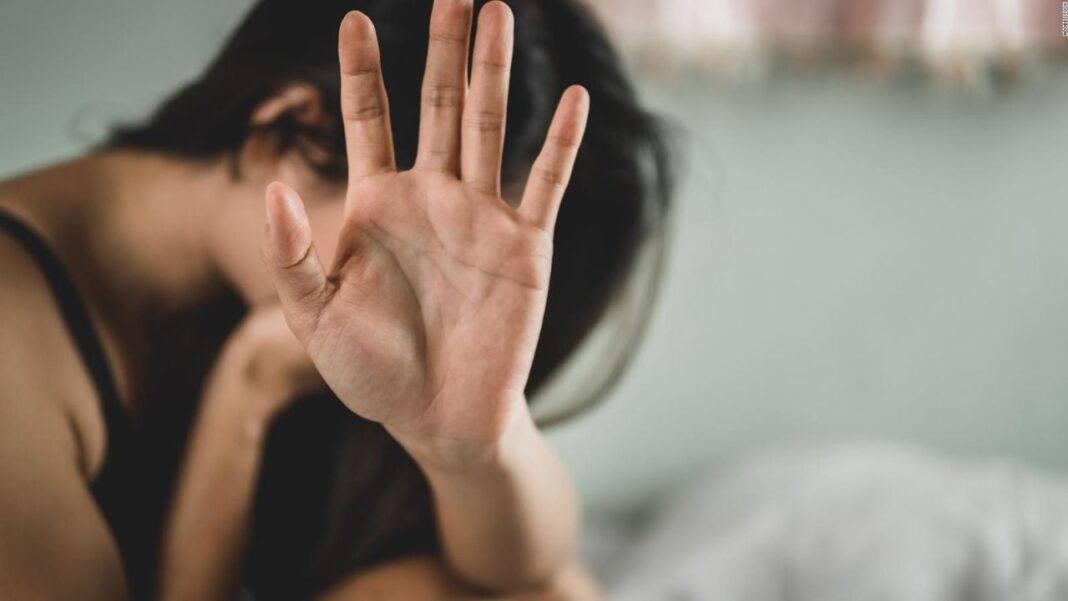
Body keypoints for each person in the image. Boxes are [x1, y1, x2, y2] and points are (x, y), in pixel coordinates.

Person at [0, 0, 671, 599]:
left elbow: (526, 567)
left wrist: (474, 448)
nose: (441, 294)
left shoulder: (271, 322)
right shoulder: (14, 330)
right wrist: (243, 402)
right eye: (425, 241)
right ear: (288, 125)